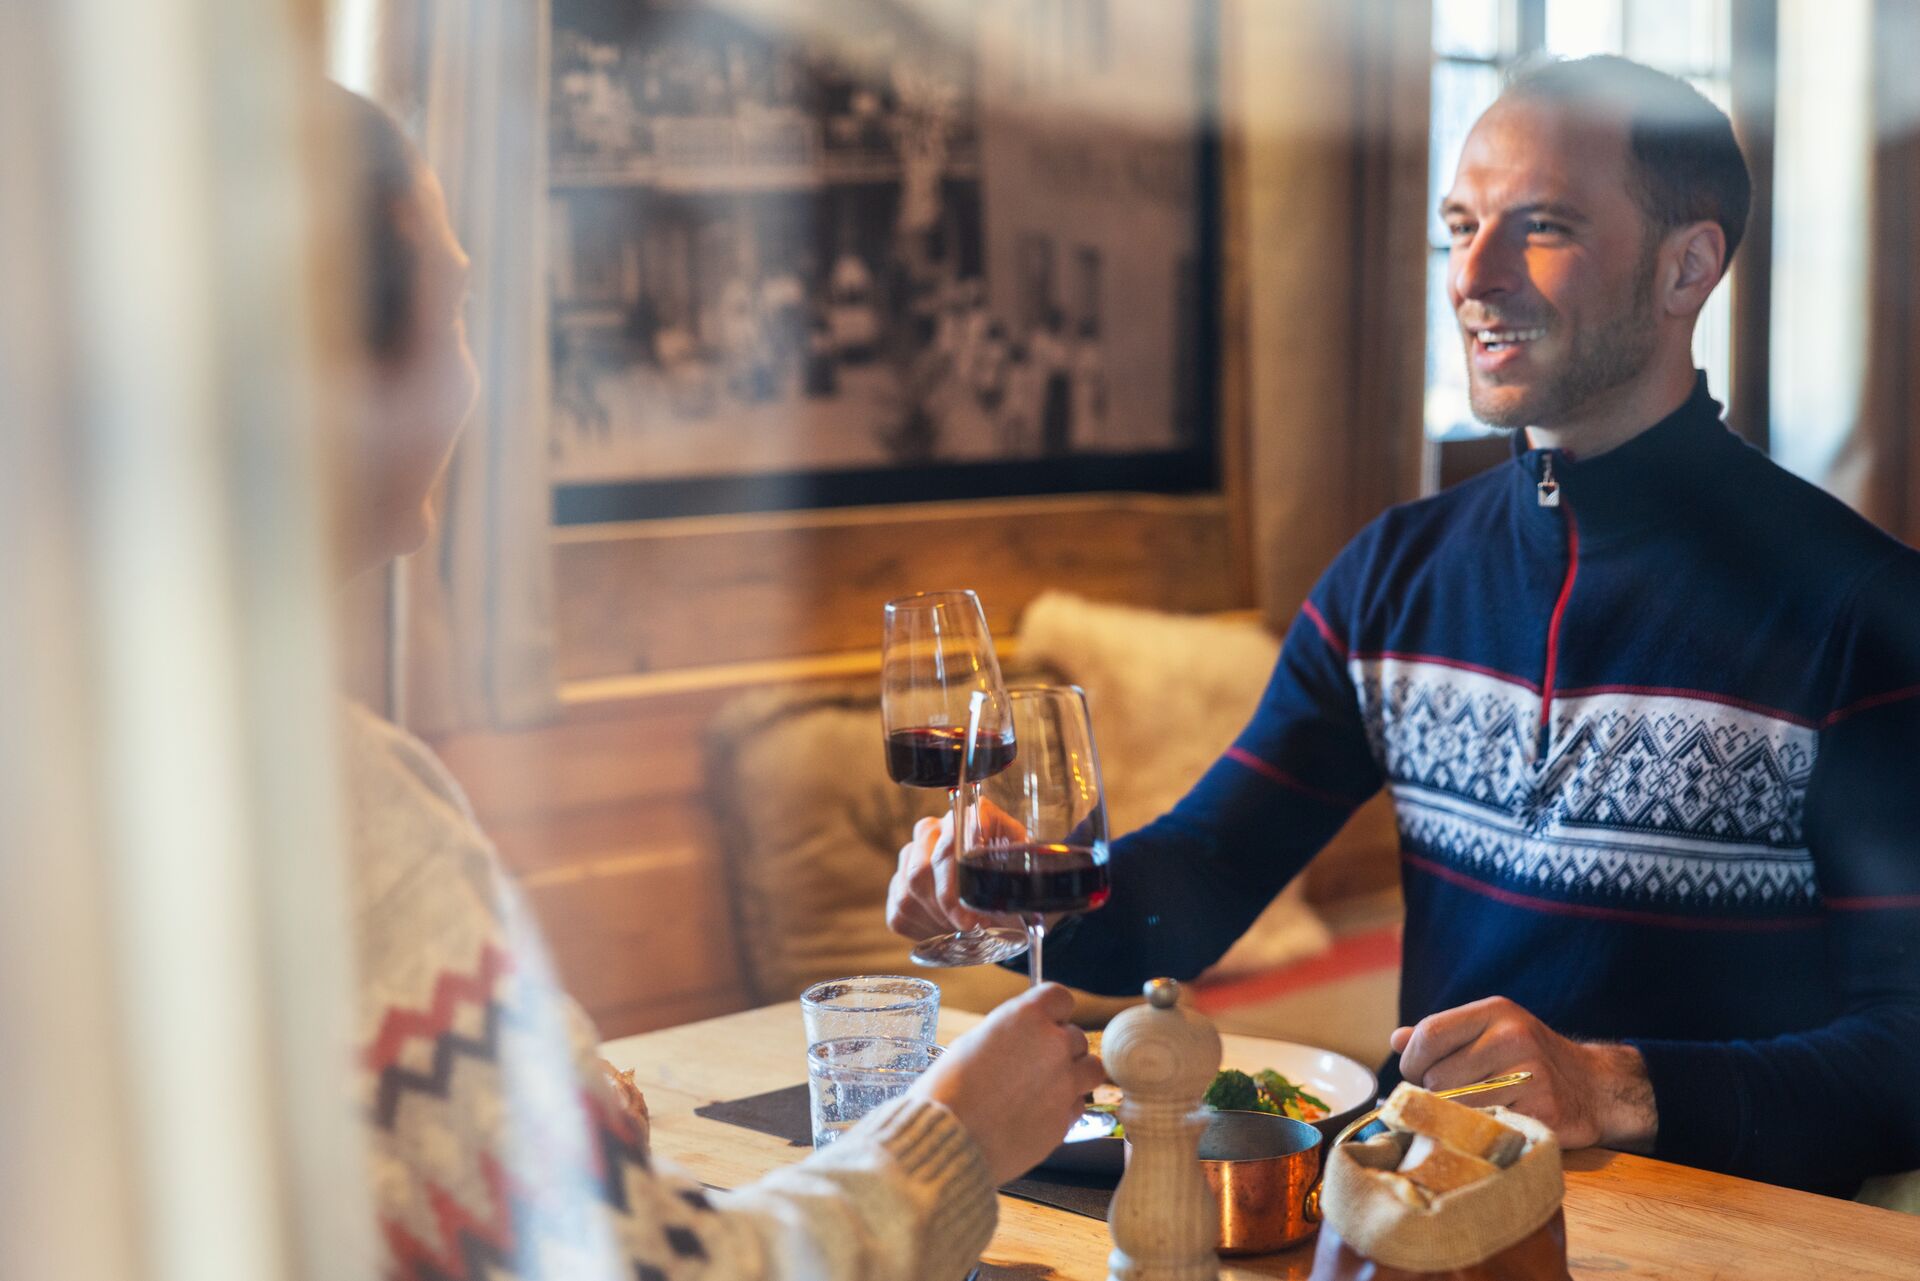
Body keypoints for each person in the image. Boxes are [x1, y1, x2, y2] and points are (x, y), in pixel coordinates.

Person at [889, 55, 1920, 1198]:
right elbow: (1206, 875)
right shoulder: (1394, 575)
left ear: (1688, 267)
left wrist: (1608, 1086)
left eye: (1542, 227)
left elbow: (1910, 1058)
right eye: (1461, 225)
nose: (1473, 276)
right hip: (1426, 1222)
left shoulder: (1865, 612)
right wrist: (1017, 888)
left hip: (1735, 1243)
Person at [324, 85, 1102, 1281]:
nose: (476, 373)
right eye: (456, 302)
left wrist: (543, 1102)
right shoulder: (338, 803)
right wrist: (952, 1136)